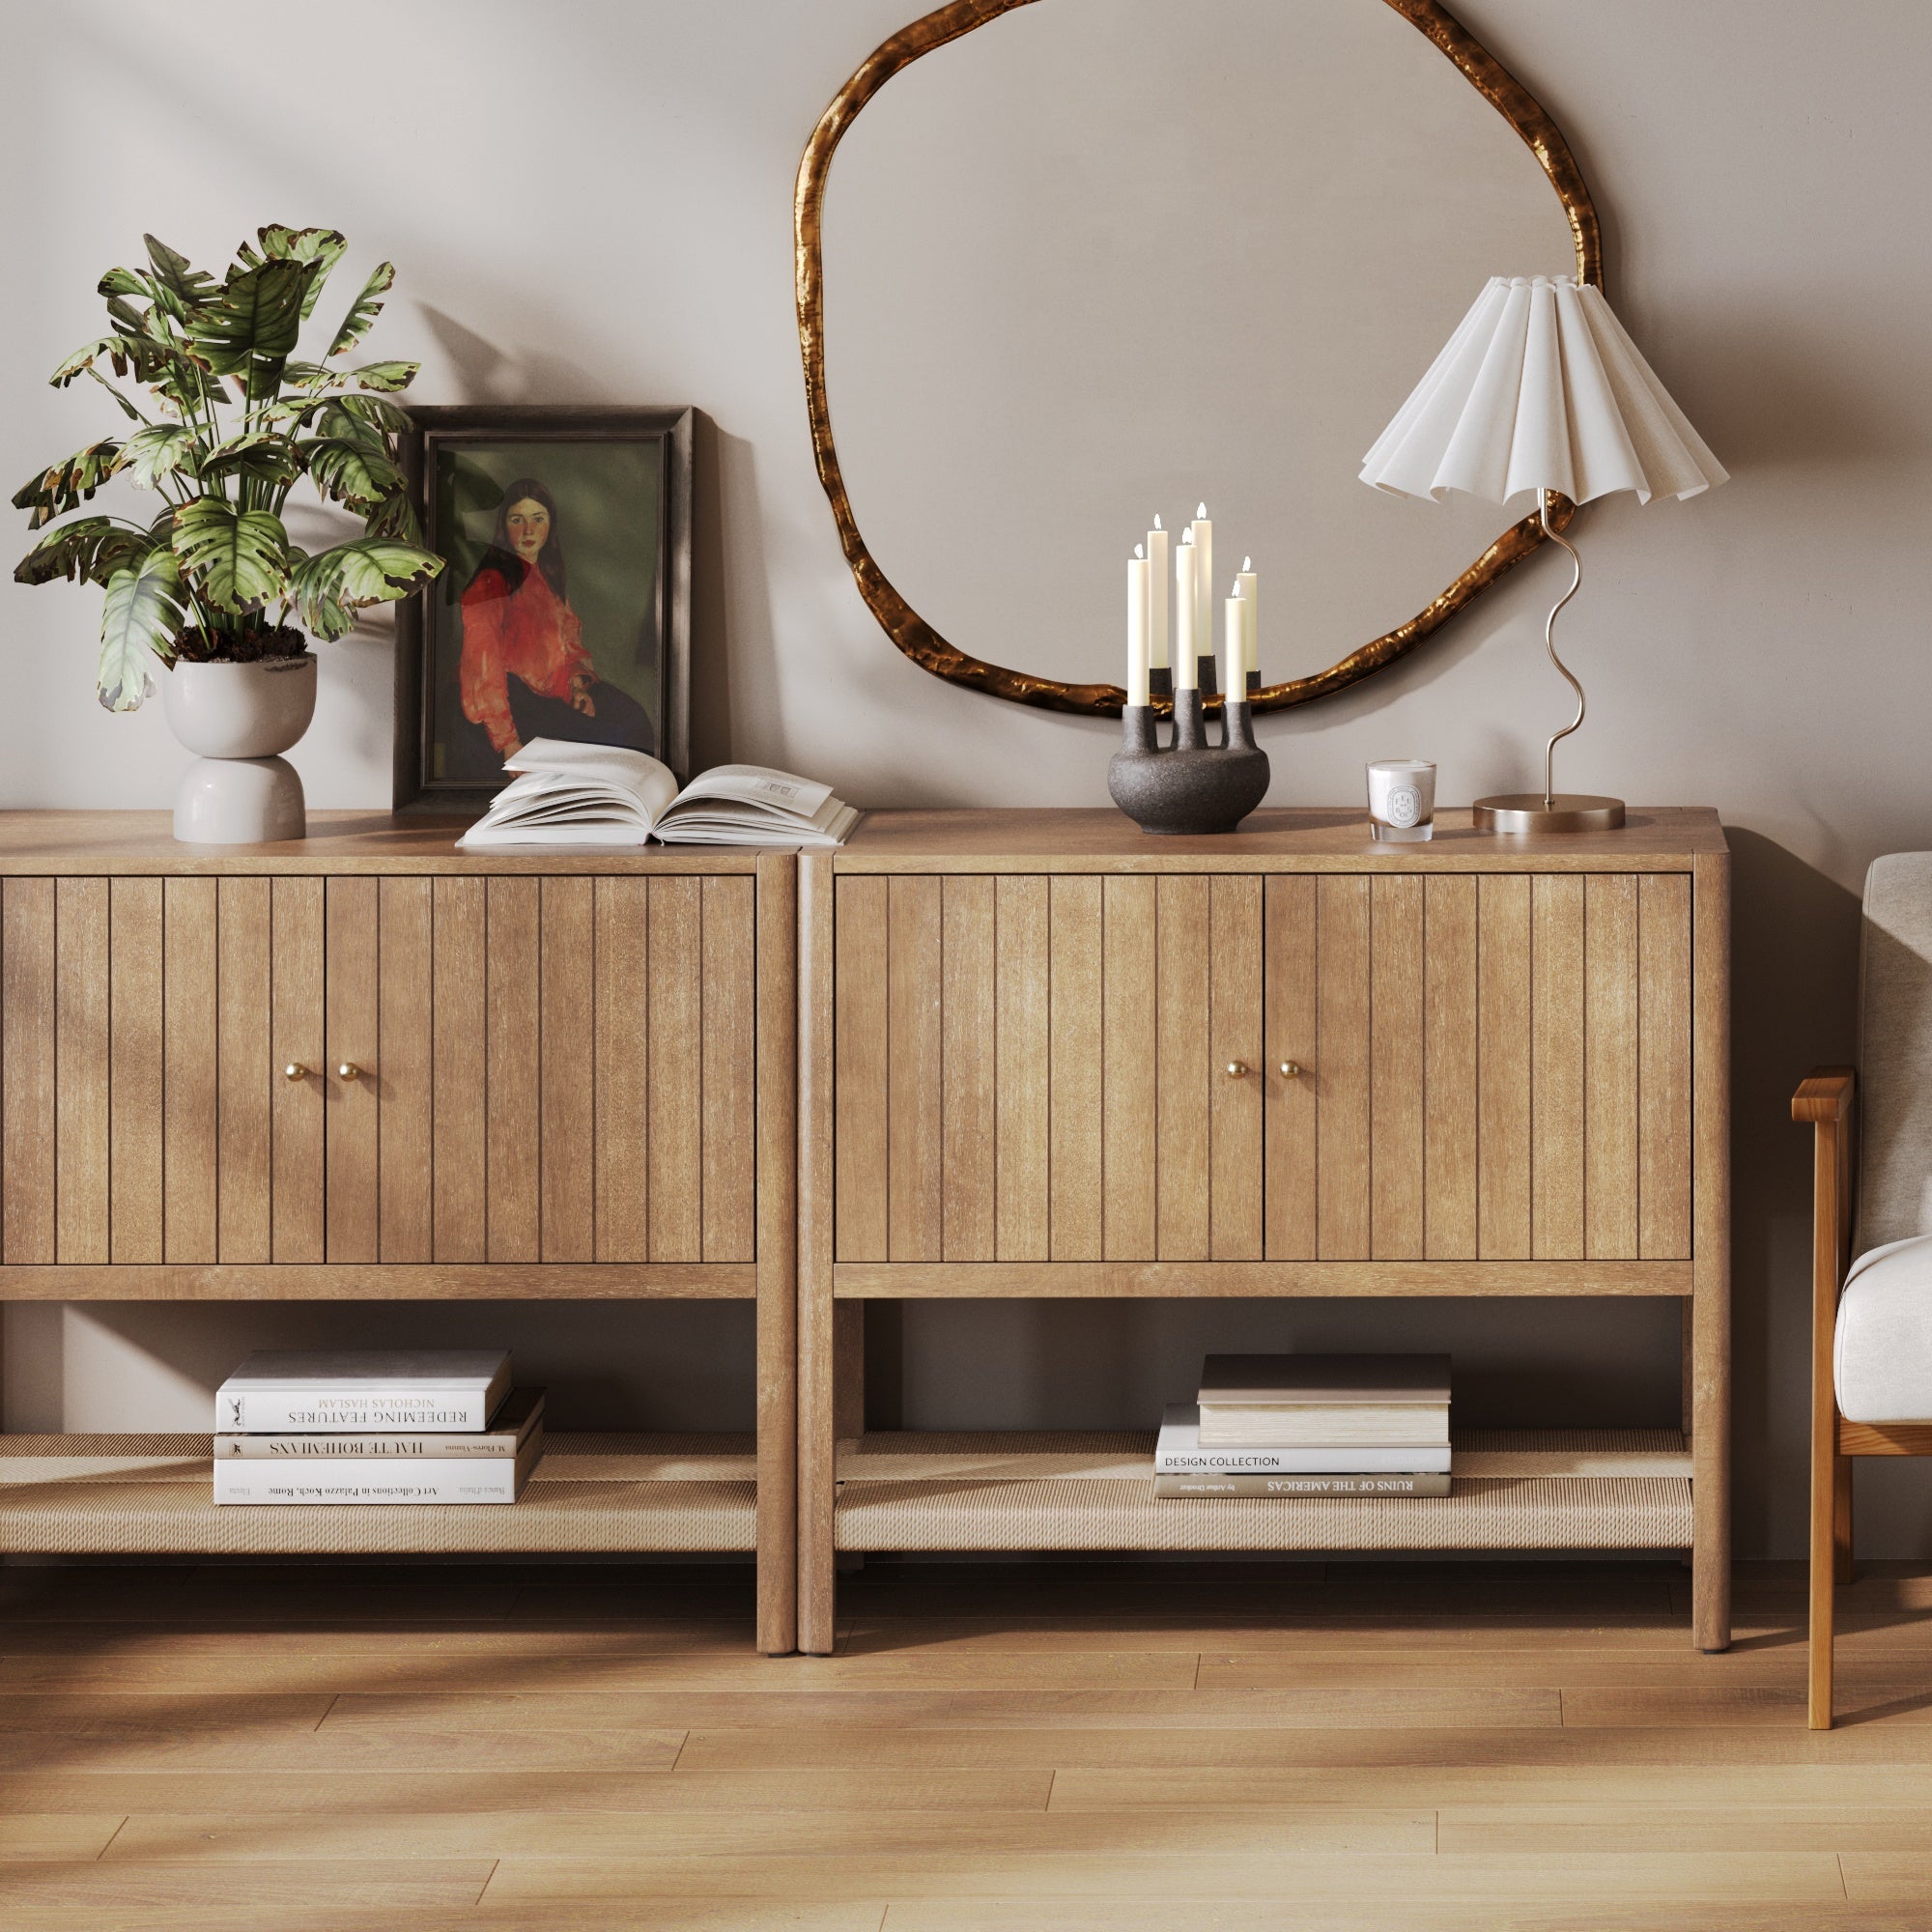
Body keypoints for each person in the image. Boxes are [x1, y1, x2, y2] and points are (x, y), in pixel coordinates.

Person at [457, 476, 655, 760]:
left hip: (557, 693)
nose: (528, 530)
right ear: (504, 526)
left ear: (550, 524)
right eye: (517, 520)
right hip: (513, 701)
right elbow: (482, 665)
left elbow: (569, 644)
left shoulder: (548, 578)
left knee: (634, 719)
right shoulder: (491, 580)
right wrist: (507, 741)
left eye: (538, 519)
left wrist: (578, 689)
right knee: (614, 740)